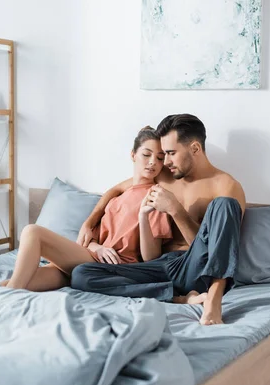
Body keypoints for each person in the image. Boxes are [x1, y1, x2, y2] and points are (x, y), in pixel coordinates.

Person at [71, 114, 246, 326]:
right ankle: (175, 297)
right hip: (160, 266)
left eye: (170, 153)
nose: (166, 162)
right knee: (82, 274)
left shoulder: (225, 186)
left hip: (194, 266)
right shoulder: (167, 174)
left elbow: (216, 251)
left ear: (195, 149)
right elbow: (117, 188)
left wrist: (175, 210)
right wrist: (89, 222)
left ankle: (213, 301)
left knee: (224, 204)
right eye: (164, 155)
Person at [0, 126, 174, 291]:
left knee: (32, 232)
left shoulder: (155, 198)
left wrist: (143, 217)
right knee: (7, 284)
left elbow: (151, 258)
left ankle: (10, 296)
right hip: (89, 258)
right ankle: (10, 294)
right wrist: (97, 247)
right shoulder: (120, 194)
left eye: (159, 158)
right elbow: (88, 240)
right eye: (146, 154)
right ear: (133, 155)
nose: (153, 162)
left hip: (111, 266)